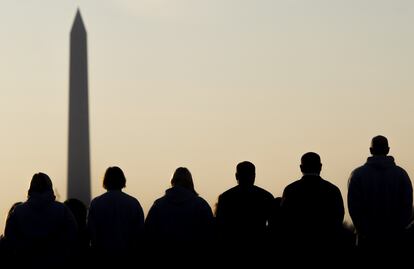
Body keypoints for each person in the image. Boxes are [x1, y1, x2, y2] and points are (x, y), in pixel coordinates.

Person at [348, 135, 413, 253]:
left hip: (367, 241)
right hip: (395, 240)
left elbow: (354, 208)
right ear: (388, 150)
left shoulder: (357, 175)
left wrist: (364, 231)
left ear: (371, 150)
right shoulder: (401, 175)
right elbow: (407, 207)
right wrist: (398, 229)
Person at [3, 173, 77, 268]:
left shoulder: (18, 211)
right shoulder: (62, 210)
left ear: (30, 188)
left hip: (26, 262)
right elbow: (72, 234)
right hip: (56, 262)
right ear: (50, 187)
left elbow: (9, 237)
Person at [280, 152, 345, 255]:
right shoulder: (332, 190)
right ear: (320, 167)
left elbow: (284, 219)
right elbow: (338, 217)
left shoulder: (290, 190)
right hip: (325, 245)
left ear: (301, 167)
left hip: (297, 246)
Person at [145, 167, 214, 260]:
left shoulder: (159, 205)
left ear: (172, 181)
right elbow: (209, 233)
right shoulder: (201, 205)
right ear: (190, 182)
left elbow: (148, 233)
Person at [87, 166, 145, 265]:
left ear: (105, 181)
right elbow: (139, 232)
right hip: (127, 256)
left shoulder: (96, 203)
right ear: (123, 181)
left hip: (103, 257)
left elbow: (91, 231)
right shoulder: (133, 203)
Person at [215, 161, 274, 250]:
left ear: (236, 176)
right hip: (259, 244)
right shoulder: (266, 196)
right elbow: (274, 225)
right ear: (254, 175)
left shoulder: (226, 197)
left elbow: (220, 226)